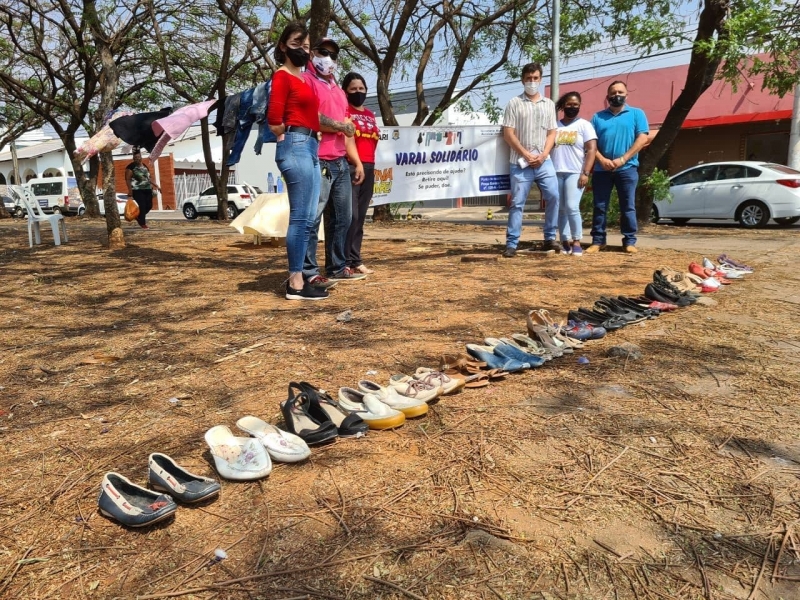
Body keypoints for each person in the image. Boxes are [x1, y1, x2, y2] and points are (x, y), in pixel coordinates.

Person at [267, 21, 327, 301]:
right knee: (301, 217)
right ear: (282, 46)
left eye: (305, 46)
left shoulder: (305, 79)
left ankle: (301, 278)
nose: (302, 50)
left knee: (310, 218)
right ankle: (295, 283)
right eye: (296, 44)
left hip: (312, 146)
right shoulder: (282, 77)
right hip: (296, 144)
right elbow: (274, 121)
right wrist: (290, 138)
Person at [302, 38, 366, 286]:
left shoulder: (338, 91)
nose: (328, 57)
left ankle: (337, 267)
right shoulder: (306, 81)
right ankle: (308, 271)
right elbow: (309, 117)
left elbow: (347, 132)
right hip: (318, 159)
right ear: (312, 53)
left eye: (333, 54)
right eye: (323, 52)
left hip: (340, 161)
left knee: (344, 218)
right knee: (313, 217)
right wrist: (340, 126)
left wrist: (356, 162)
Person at [501, 62, 559, 257]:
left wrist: (543, 155)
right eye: (528, 78)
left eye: (535, 78)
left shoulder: (549, 104)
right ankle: (512, 243)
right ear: (522, 80)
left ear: (540, 79)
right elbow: (508, 133)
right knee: (517, 203)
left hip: (544, 161)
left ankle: (550, 238)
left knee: (553, 196)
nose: (532, 82)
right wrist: (525, 154)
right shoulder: (514, 103)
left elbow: (552, 133)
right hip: (520, 162)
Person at [587, 81, 649, 254]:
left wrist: (623, 159)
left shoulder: (637, 114)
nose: (617, 95)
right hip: (601, 170)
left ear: (627, 95)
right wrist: (601, 159)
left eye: (620, 92)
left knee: (628, 206)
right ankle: (598, 241)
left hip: (627, 168)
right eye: (613, 93)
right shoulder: (597, 117)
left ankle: (629, 241)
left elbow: (643, 138)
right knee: (599, 206)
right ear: (607, 97)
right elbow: (591, 143)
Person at [550, 91, 597, 257]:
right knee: (561, 209)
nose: (572, 107)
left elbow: (591, 150)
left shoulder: (585, 125)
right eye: (569, 104)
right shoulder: (555, 126)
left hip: (575, 173)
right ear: (563, 106)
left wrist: (585, 173)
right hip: (556, 172)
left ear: (579, 106)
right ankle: (565, 241)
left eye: (575, 105)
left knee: (571, 206)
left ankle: (577, 241)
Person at [343, 72, 380, 275]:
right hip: (350, 167)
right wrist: (356, 163)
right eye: (353, 89)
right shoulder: (345, 110)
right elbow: (347, 140)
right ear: (345, 92)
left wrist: (367, 165)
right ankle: (345, 261)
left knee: (361, 217)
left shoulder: (370, 114)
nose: (358, 92)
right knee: (351, 215)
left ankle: (356, 260)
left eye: (361, 89)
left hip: (369, 166)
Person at [125, 148, 161, 230]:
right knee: (142, 206)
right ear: (133, 158)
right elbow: (127, 179)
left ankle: (138, 216)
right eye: (135, 158)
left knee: (149, 205)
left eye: (139, 157)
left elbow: (149, 178)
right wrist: (130, 192)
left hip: (148, 189)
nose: (137, 159)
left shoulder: (144, 166)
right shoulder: (130, 167)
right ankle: (143, 223)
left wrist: (157, 186)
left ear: (141, 157)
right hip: (137, 190)